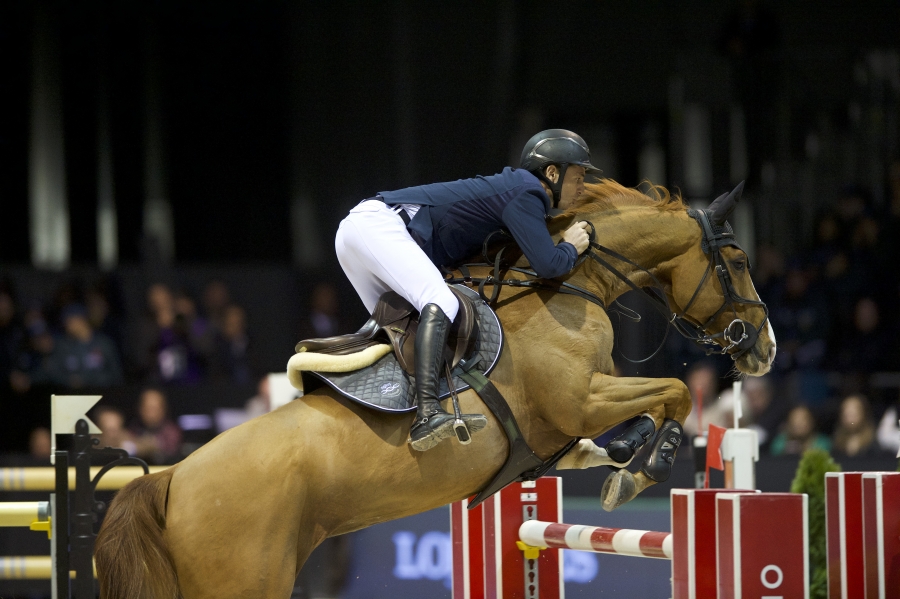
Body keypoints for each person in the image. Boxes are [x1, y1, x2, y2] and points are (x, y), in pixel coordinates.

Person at [334, 129, 597, 451]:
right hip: (377, 226)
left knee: (403, 331)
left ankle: (388, 414)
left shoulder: (517, 190)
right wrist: (571, 246)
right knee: (441, 302)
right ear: (552, 173)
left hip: (359, 233)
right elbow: (549, 265)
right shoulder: (528, 191)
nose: (583, 185)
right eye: (579, 175)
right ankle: (428, 413)